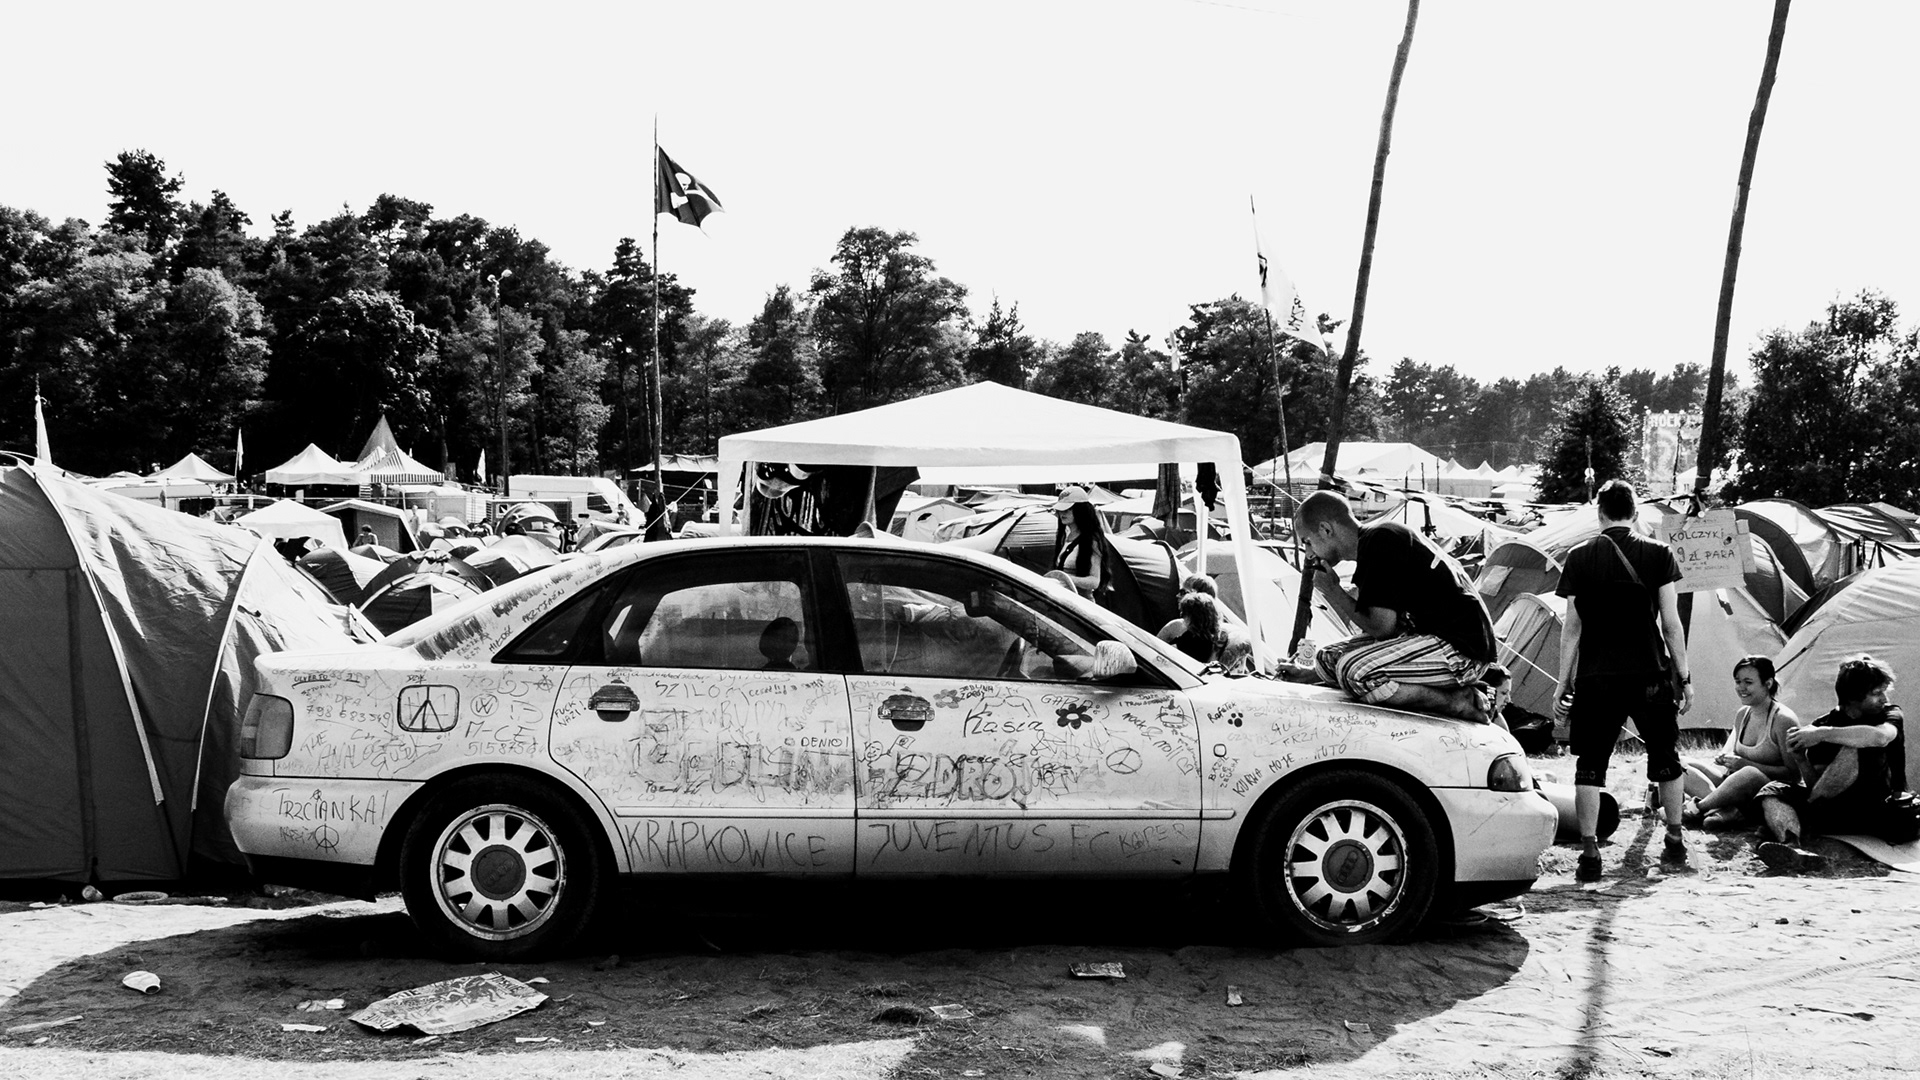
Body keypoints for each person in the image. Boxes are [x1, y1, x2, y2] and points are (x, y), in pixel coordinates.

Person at [1551, 480, 1693, 881]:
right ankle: (1675, 838)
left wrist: (1564, 681)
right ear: (1635, 512)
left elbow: (1572, 628)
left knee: (1590, 765)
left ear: (1599, 513)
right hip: (1649, 674)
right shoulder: (1659, 554)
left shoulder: (1579, 557)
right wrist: (1684, 676)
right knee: (1665, 757)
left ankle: (1590, 853)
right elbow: (1671, 625)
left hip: (1596, 677)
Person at [1283, 489, 1498, 722]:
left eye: (1308, 542)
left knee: (1353, 671)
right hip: (1428, 640)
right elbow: (1389, 629)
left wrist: (1333, 590)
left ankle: (1457, 701)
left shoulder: (1381, 541)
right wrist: (1307, 675)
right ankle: (1311, 675)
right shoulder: (1375, 542)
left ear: (1326, 529)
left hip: (1462, 651)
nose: (1309, 554)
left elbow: (1382, 628)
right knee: (1326, 659)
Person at [1753, 654, 1908, 872]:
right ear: (1854, 696)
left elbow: (1880, 737)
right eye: (1876, 693)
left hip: (1878, 809)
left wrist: (1823, 734)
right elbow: (1816, 784)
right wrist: (1801, 759)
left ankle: (1806, 817)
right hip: (1836, 808)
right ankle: (1792, 846)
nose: (1884, 699)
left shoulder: (1889, 714)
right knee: (1772, 791)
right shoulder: (1823, 724)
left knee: (1855, 745)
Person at [1680, 656, 1800, 829]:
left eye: (1748, 682)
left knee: (1749, 773)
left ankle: (1697, 808)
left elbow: (1794, 775)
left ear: (1767, 683)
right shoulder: (1743, 714)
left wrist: (1746, 764)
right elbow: (1738, 761)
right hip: (1736, 788)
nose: (1741, 688)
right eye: (1738, 682)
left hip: (1766, 794)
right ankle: (1725, 810)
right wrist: (1728, 759)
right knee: (1681, 764)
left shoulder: (1783, 720)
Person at [1156, 576, 1253, 673]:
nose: (1177, 595)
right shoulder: (1220, 636)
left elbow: (1155, 653)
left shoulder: (1181, 631)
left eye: (1183, 592)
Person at [1051, 486, 1110, 598]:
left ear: (1080, 511)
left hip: (1081, 601)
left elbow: (1094, 581)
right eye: (1060, 510)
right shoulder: (1065, 537)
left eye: (1068, 509)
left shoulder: (1092, 540)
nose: (1062, 513)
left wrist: (1065, 579)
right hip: (1064, 599)